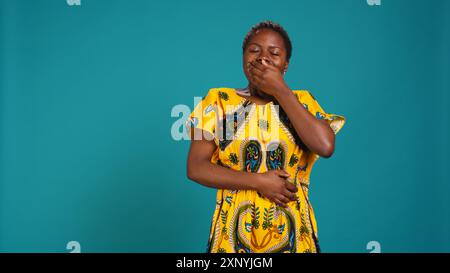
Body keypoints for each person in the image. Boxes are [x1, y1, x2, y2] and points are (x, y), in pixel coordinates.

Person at [186, 21, 345, 253]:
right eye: (254, 50)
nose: (263, 58)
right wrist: (259, 181)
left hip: (294, 235)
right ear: (243, 57)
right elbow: (196, 168)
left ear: (285, 65)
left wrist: (280, 91)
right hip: (232, 240)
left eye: (274, 53)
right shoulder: (220, 102)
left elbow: (325, 145)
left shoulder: (302, 102)